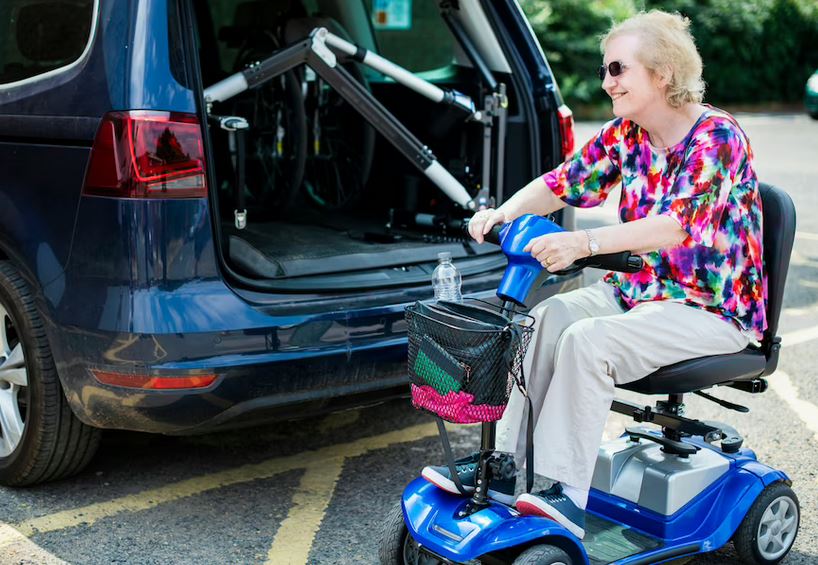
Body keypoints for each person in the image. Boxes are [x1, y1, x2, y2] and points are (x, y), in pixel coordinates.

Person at [420, 10, 765, 539]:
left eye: (618, 69)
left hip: (709, 309)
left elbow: (676, 227)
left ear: (663, 73)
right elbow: (561, 183)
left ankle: (562, 492)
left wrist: (584, 242)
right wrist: (503, 213)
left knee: (587, 342)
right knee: (546, 318)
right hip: (637, 294)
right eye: (607, 71)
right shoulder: (626, 133)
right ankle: (506, 467)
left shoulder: (717, 137)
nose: (607, 82)